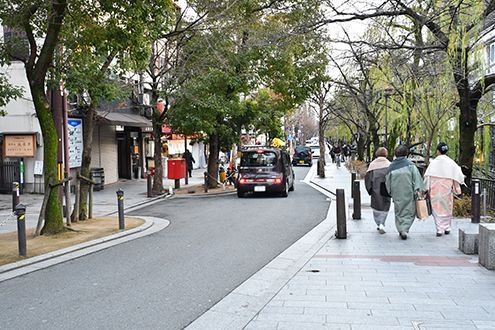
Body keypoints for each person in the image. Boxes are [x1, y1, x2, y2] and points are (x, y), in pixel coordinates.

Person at [424, 142, 464, 237]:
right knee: (447, 208)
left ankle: (439, 229)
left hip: (435, 190)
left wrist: (425, 188)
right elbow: (457, 177)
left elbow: (427, 177)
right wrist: (457, 189)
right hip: (447, 190)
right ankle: (447, 227)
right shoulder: (451, 162)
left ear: (438, 151)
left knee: (436, 208)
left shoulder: (433, 163)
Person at [385, 145, 424, 240]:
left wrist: (390, 192)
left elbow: (387, 181)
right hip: (409, 192)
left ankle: (400, 228)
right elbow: (417, 179)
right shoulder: (411, 166)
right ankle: (405, 229)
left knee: (399, 211)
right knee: (409, 211)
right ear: (406, 154)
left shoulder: (391, 167)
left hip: (397, 192)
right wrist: (418, 189)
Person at [365, 147, 391, 234]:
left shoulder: (372, 165)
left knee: (376, 207)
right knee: (385, 207)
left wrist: (369, 189)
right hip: (386, 189)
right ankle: (382, 223)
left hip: (375, 189)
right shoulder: (389, 165)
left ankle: (379, 223)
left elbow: (368, 179)